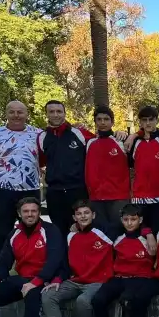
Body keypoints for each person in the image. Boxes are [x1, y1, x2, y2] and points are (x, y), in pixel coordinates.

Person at [40, 199, 113, 317]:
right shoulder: (71, 235)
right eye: (79, 214)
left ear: (93, 215)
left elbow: (127, 229)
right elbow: (65, 262)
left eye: (86, 213)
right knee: (48, 295)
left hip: (99, 281)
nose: (83, 216)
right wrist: (58, 280)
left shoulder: (105, 231)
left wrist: (146, 233)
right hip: (75, 280)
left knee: (83, 301)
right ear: (74, 217)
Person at [0, 101, 42, 260]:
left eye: (20, 112)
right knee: (2, 233)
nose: (16, 115)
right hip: (3, 191)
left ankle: (32, 272)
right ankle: (0, 274)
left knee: (33, 232)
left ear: (26, 114)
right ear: (6, 114)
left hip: (30, 190)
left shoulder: (38, 134)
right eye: (12, 112)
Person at [36, 100, 96, 240]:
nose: (55, 115)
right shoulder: (42, 137)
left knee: (82, 230)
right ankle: (62, 261)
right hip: (54, 193)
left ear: (64, 113)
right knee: (58, 232)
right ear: (47, 114)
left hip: (77, 190)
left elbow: (100, 144)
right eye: (51, 112)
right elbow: (41, 161)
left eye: (59, 111)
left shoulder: (79, 133)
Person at [85, 106, 130, 224]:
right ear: (95, 122)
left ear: (112, 122)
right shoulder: (90, 143)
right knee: (101, 235)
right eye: (99, 119)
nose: (102, 122)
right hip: (96, 198)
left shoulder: (122, 140)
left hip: (118, 197)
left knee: (119, 232)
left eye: (106, 119)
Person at [130, 106, 159, 232]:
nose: (147, 123)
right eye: (144, 120)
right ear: (140, 122)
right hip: (138, 197)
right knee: (141, 233)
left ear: (157, 120)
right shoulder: (134, 141)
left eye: (151, 120)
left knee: (158, 232)